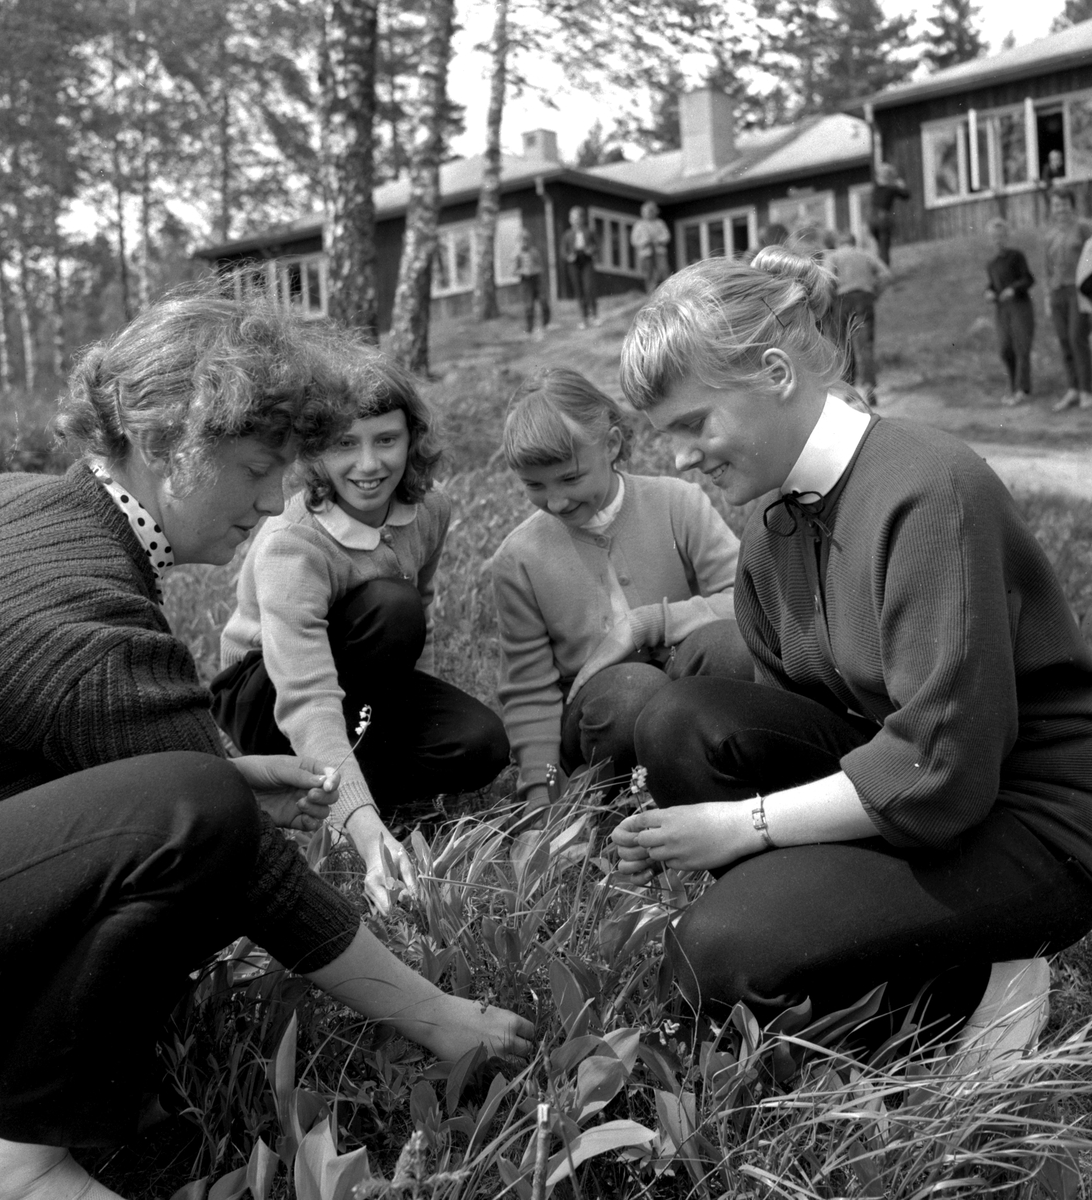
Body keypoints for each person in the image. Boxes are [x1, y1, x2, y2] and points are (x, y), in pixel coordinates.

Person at [0, 287, 533, 1200]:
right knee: (196, 818)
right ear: (168, 447)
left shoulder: (14, 506)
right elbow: (242, 862)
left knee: (195, 804)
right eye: (254, 468)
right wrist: (436, 1016)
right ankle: (18, 1161)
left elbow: (8, 753)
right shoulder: (95, 626)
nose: (279, 496)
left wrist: (224, 778)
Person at [611, 249, 1092, 1055]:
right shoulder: (774, 527)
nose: (681, 458)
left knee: (715, 953)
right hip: (918, 794)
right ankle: (934, 967)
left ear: (773, 372)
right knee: (679, 720)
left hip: (1030, 820)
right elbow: (798, 721)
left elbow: (938, 770)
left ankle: (974, 986)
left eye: (693, 424)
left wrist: (743, 827)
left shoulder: (926, 490)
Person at [212, 352, 510, 911]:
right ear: (313, 453)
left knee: (482, 744)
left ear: (411, 438)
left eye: (386, 440)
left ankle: (338, 782)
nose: (369, 464)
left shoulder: (429, 510)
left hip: (364, 681)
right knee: (390, 607)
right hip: (268, 689)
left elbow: (414, 621)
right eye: (345, 443)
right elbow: (306, 693)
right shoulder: (291, 542)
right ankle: (333, 789)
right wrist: (372, 841)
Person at [491, 368, 753, 811]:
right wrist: (542, 804)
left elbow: (749, 601)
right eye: (534, 485)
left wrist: (647, 624)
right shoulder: (519, 559)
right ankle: (607, 795)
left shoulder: (678, 503)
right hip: (601, 714)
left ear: (611, 445)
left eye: (571, 478)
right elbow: (529, 691)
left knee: (731, 645)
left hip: (685, 687)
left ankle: (725, 774)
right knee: (634, 689)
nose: (555, 501)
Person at [825, 232, 892, 406]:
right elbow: (885, 274)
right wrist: (875, 293)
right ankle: (869, 388)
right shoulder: (865, 255)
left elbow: (826, 280)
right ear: (854, 242)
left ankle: (849, 391)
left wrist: (831, 297)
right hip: (864, 298)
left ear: (840, 242)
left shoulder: (834, 256)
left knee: (844, 345)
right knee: (865, 345)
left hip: (843, 301)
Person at [1043, 188, 1092, 411]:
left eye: (1064, 204)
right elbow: (1047, 268)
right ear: (1051, 209)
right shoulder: (1050, 234)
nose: (1060, 208)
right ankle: (1072, 389)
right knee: (1064, 341)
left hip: (1078, 292)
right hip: (1057, 292)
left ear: (1071, 205)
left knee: (1077, 339)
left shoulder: (1083, 228)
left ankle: (1086, 391)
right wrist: (1047, 296)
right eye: (1056, 205)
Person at [983, 217, 1035, 406]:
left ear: (1007, 236)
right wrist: (988, 292)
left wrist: (1014, 289)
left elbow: (1028, 279)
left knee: (1021, 346)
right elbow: (992, 285)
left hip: (1020, 306)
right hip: (1002, 309)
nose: (998, 239)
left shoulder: (1016, 256)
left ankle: (1023, 389)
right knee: (1005, 349)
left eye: (1001, 235)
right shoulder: (992, 263)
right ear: (990, 239)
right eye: (994, 236)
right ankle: (1013, 388)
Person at [562, 206, 599, 328]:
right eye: (573, 218)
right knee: (579, 290)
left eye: (578, 218)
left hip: (586, 260)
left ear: (583, 219)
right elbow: (563, 251)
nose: (576, 220)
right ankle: (583, 318)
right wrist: (569, 257)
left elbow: (596, 246)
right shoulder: (567, 234)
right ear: (570, 220)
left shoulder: (589, 232)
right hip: (574, 263)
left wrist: (591, 250)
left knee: (589, 288)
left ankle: (594, 315)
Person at [868, 162, 910, 266]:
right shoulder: (892, 188)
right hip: (883, 218)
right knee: (884, 247)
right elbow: (906, 195)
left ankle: (878, 270)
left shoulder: (876, 187)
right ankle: (884, 272)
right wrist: (901, 185)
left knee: (878, 247)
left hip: (871, 218)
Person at [513, 228, 551, 338]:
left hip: (536, 279)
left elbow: (541, 267)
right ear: (518, 242)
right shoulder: (517, 255)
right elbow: (514, 271)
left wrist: (534, 270)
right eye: (521, 241)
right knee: (528, 306)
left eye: (526, 240)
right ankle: (530, 329)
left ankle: (546, 324)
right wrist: (522, 271)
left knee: (543, 301)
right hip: (525, 281)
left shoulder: (534, 252)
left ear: (529, 241)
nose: (524, 243)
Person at [631, 201, 671, 293]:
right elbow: (634, 240)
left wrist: (658, 240)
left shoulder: (660, 223)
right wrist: (645, 241)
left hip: (658, 251)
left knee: (663, 270)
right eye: (647, 211)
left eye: (651, 211)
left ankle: (666, 290)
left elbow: (666, 236)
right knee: (648, 273)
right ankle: (650, 292)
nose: (649, 213)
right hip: (646, 253)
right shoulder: (639, 225)